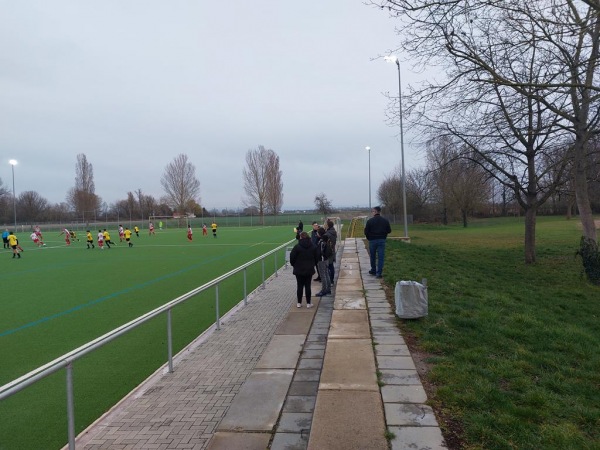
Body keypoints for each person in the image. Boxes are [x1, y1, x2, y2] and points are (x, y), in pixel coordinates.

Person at [290, 231, 318, 308]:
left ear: (301, 237)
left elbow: (292, 258)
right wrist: (313, 265)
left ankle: (299, 303)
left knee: (299, 286)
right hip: (309, 269)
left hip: (298, 269)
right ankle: (308, 303)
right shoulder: (313, 246)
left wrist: (294, 265)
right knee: (308, 286)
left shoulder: (297, 247)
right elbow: (316, 258)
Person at [364, 206, 392, 278]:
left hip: (372, 240)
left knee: (372, 256)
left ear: (376, 212)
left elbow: (366, 232)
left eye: (373, 211)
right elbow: (389, 230)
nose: (372, 212)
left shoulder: (370, 221)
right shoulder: (385, 221)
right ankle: (379, 273)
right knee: (380, 257)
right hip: (382, 240)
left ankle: (373, 270)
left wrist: (369, 238)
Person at [315, 227, 332, 297]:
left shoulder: (321, 242)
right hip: (326, 259)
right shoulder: (326, 239)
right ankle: (328, 289)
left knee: (323, 276)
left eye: (317, 232)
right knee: (326, 274)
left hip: (322, 260)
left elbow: (320, 252)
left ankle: (324, 290)